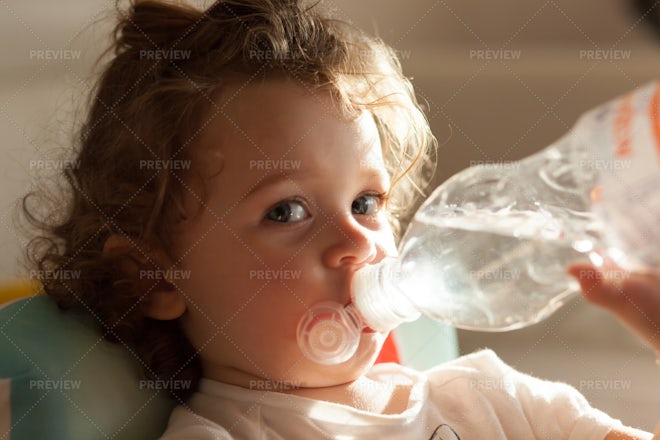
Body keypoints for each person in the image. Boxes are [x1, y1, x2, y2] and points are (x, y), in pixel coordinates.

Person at [22, 0, 653, 438]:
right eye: (287, 210)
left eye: (367, 203)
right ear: (156, 279)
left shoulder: (493, 398)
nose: (358, 242)